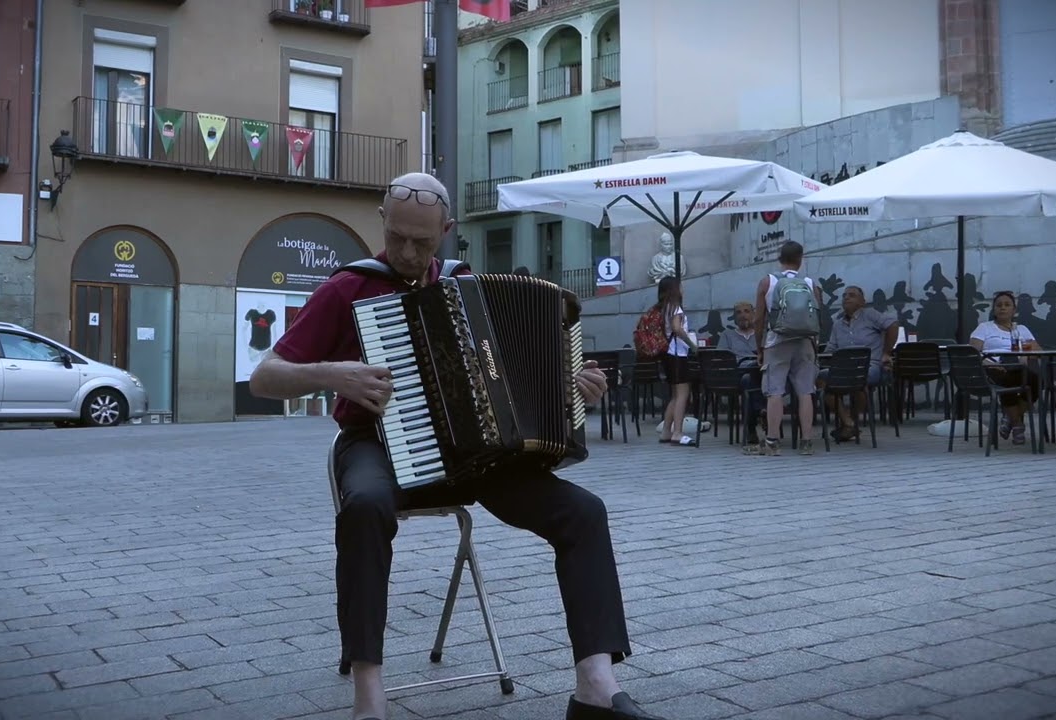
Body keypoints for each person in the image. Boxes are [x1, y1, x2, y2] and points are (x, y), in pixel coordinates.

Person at [249, 172, 666, 720]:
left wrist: (574, 387)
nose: (405, 250)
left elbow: (517, 380)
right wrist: (334, 374)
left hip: (477, 457)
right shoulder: (346, 288)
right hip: (375, 444)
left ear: (446, 231)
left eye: (421, 241)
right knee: (366, 507)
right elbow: (265, 377)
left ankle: (594, 685)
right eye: (396, 235)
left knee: (583, 512)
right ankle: (369, 699)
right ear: (382, 219)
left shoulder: (463, 283)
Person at [752, 241, 823, 456]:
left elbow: (759, 319)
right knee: (805, 391)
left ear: (779, 258)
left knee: (775, 391)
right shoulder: (811, 283)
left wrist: (760, 347)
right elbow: (817, 317)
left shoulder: (768, 282)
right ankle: (807, 442)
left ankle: (772, 442)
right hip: (805, 342)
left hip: (777, 341)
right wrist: (815, 344)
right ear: (801, 259)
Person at [818, 286, 898, 442]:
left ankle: (850, 423)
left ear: (862, 301)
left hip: (870, 366)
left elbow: (893, 325)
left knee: (859, 380)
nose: (846, 298)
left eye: (852, 295)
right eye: (844, 295)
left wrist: (886, 352)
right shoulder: (837, 324)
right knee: (820, 379)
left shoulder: (870, 315)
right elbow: (831, 349)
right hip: (844, 368)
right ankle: (849, 423)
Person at [969, 290, 1041, 445]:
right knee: (1007, 381)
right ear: (994, 309)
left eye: (1007, 305)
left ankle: (1010, 418)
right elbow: (972, 353)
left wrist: (1025, 355)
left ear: (1014, 310)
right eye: (999, 305)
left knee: (1036, 381)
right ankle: (1017, 425)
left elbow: (1037, 351)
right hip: (993, 368)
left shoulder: (1021, 329)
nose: (1003, 308)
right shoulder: (985, 328)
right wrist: (990, 363)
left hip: (1018, 367)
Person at [657, 276, 701, 446]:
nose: (683, 289)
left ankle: (666, 431)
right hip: (677, 354)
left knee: (675, 395)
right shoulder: (676, 309)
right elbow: (677, 328)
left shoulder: (663, 309)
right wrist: (691, 344)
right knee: (683, 394)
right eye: (680, 286)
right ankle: (678, 432)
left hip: (667, 354)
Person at [714, 301, 762, 448]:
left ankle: (753, 424)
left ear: (754, 314)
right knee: (748, 379)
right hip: (737, 375)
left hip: (761, 373)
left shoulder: (762, 334)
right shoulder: (727, 335)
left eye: (747, 311)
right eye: (739, 312)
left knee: (755, 378)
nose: (743, 315)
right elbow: (720, 359)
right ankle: (760, 415)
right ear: (734, 317)